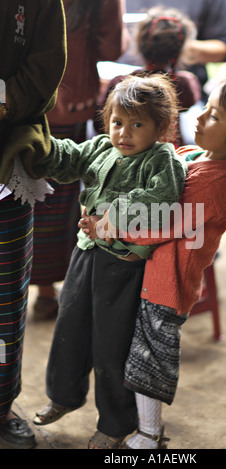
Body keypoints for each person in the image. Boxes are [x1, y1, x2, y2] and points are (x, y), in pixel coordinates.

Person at [79, 76, 226, 448]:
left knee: (150, 361)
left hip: (168, 284)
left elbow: (160, 223)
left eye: (213, 116)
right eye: (206, 108)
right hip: (154, 275)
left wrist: (106, 228)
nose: (199, 118)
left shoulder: (216, 182)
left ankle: (149, 433)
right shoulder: (196, 156)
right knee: (136, 354)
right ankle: (143, 426)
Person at [31, 74, 187, 449]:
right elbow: (69, 158)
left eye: (137, 124)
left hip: (124, 266)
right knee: (70, 327)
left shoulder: (161, 159)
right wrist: (38, 146)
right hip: (85, 254)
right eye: (117, 122)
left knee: (110, 346)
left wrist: (108, 217)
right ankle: (63, 397)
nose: (124, 133)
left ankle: (115, 423)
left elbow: (161, 200)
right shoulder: (102, 147)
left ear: (160, 128)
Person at [30, 0, 128, 321]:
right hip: (67, 103)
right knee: (56, 202)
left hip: (16, 103)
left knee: (16, 196)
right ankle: (48, 293)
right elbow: (112, 47)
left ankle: (22, 288)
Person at [0, 0, 66, 449]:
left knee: (6, 304)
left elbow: (47, 66)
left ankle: (1, 407)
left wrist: (3, 101)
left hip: (8, 162)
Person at [96, 6, 201, 147]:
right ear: (180, 49)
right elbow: (192, 100)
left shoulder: (120, 83)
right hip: (172, 151)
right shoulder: (184, 84)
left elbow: (99, 123)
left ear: (140, 43)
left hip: (123, 151)